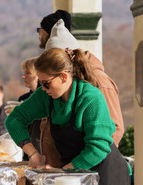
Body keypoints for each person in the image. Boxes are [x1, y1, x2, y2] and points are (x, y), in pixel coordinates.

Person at [5, 48, 131, 185]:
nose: (42, 88)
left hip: (106, 174)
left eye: (46, 83)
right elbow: (14, 120)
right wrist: (33, 154)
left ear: (63, 76)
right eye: (40, 83)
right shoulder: (46, 96)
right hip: (74, 174)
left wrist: (63, 173)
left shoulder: (91, 98)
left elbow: (98, 148)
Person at [38, 10, 124, 146]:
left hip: (89, 165)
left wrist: (82, 163)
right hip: (61, 166)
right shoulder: (61, 83)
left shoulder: (99, 82)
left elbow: (114, 130)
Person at [18, 57, 42, 159]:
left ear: (39, 75)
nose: (23, 76)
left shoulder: (48, 98)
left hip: (43, 152)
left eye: (28, 73)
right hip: (27, 152)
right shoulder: (22, 99)